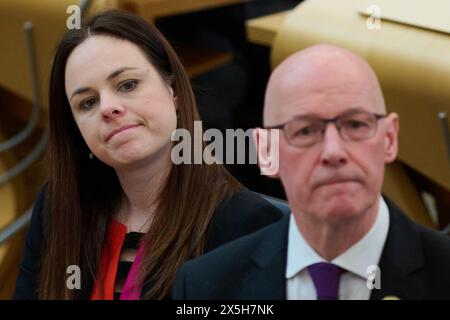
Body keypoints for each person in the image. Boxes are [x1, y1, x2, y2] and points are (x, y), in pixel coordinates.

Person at [13, 10, 283, 300]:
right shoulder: (57, 206)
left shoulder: (245, 224)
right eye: (88, 102)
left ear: (174, 90)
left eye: (127, 85)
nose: (108, 107)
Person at [172, 44, 450, 300]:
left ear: (389, 139)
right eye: (305, 130)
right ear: (267, 152)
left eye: (355, 125)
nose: (333, 151)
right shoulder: (205, 286)